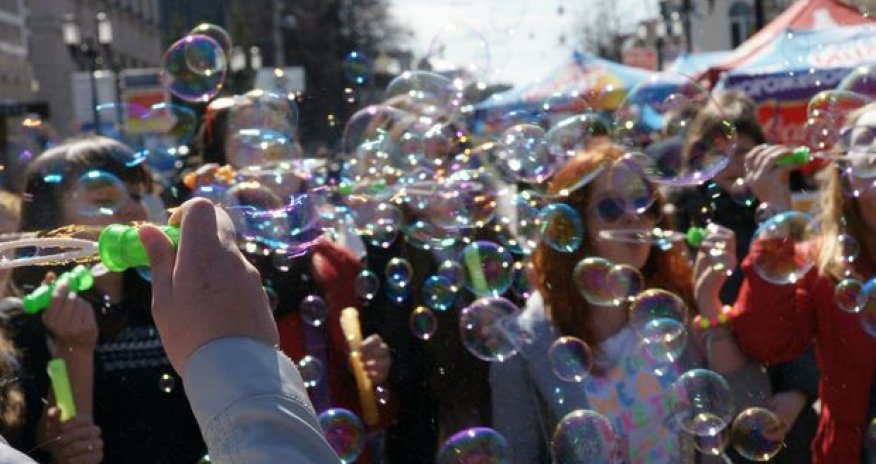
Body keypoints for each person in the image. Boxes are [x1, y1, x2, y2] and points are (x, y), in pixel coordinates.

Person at [490, 142, 769, 463]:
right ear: (572, 227)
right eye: (611, 208)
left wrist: (709, 303)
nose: (633, 218)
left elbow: (752, 411)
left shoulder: (673, 308)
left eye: (643, 203)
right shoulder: (526, 347)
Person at [6, 136, 206, 463]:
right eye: (103, 198)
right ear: (50, 223)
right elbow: (45, 441)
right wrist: (73, 346)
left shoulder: (165, 300)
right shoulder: (22, 323)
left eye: (137, 195)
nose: (133, 209)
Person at [669, 90, 819, 464]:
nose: (732, 164)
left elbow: (803, 309)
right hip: (709, 403)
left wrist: (798, 392)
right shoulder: (679, 224)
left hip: (781, 405)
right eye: (720, 153)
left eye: (742, 153)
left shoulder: (779, 223)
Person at [732, 102, 876, 463]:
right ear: (846, 172)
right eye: (870, 137)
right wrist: (778, 220)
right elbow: (767, 341)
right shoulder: (821, 262)